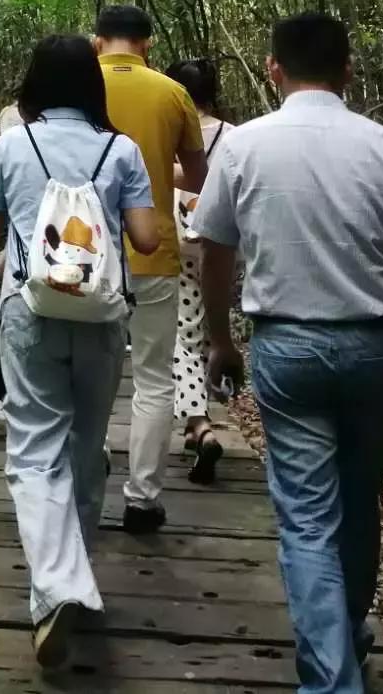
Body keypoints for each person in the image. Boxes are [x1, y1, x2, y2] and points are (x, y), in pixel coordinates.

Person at [195, 13, 383, 694]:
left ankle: (332, 674)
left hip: (286, 348)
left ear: (272, 69)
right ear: (348, 71)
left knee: (307, 518)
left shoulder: (241, 147)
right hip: (371, 348)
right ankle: (344, 633)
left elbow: (216, 250)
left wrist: (220, 338)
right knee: (356, 499)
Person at [0, 35, 159, 668]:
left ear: (35, 84)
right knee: (89, 448)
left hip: (29, 311)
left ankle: (58, 588)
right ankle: (75, 576)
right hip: (100, 316)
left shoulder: (14, 143)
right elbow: (145, 238)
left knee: (35, 450)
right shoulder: (121, 148)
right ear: (92, 85)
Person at [94, 4, 208, 533]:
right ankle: (142, 497)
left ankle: (88, 468)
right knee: (155, 380)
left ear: (98, 41)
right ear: (149, 43)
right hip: (154, 251)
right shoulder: (172, 92)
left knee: (88, 374)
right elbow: (197, 175)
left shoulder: (77, 85)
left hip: (85, 256)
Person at [165, 57, 235, 484]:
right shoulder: (235, 137)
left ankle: (199, 423)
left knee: (182, 335)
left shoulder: (167, 133)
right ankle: (203, 414)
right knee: (211, 330)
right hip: (221, 246)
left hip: (175, 242)